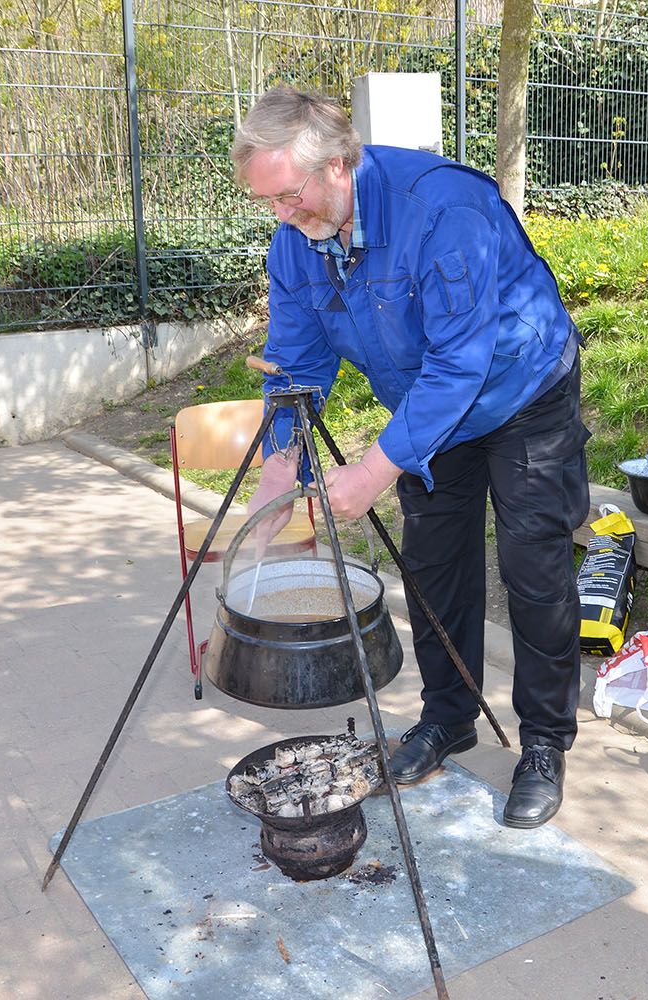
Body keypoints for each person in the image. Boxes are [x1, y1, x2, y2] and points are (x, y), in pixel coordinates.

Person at [231, 87, 590, 829]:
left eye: (289, 196)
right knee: (432, 568)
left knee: (534, 567)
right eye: (266, 202)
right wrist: (276, 478)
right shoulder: (294, 241)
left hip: (521, 390)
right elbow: (296, 364)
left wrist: (369, 471)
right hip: (427, 409)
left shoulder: (442, 210)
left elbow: (461, 363)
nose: (281, 217)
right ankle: (448, 718)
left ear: (339, 165)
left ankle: (546, 742)